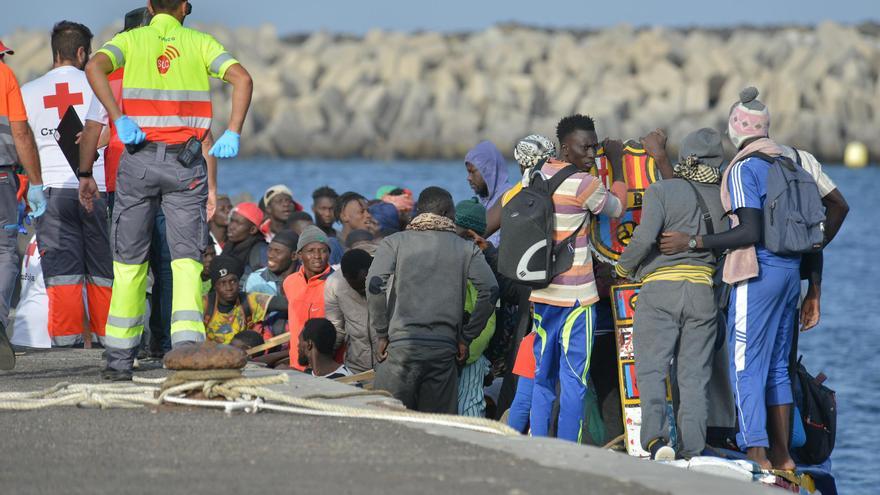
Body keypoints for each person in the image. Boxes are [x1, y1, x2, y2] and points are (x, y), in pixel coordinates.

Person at [84, 0, 253, 380]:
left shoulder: (131, 40)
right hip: (186, 164)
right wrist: (234, 131)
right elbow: (243, 78)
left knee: (129, 263)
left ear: (148, 5)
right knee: (186, 264)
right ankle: (186, 355)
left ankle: (118, 363)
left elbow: (94, 66)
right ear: (184, 7)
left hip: (138, 160)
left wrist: (118, 117)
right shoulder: (200, 42)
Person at [660, 88, 809, 471]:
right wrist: (815, 288)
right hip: (792, 272)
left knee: (745, 363)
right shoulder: (788, 161)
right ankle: (783, 456)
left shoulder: (744, 168)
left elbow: (749, 230)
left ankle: (755, 452)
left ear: (736, 129)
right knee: (777, 365)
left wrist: (694, 241)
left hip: (757, 272)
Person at [614, 128, 730, 460]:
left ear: (685, 157)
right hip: (703, 294)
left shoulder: (662, 190)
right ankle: (693, 450)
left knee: (651, 369)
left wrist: (622, 269)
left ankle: (656, 440)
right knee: (694, 377)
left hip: (661, 290)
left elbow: (643, 239)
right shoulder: (725, 197)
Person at [525, 114, 626, 442]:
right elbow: (617, 208)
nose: (592, 154)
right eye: (587, 147)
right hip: (577, 300)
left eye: (595, 147)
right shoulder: (585, 184)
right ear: (566, 149)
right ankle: (568, 448)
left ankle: (538, 442)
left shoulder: (535, 177)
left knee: (543, 376)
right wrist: (618, 163)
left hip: (541, 294)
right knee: (573, 380)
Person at [20, 21, 112, 348]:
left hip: (51, 192)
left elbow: (20, 142)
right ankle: (108, 342)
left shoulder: (27, 92)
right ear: (82, 52)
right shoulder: (100, 85)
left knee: (62, 275)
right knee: (103, 271)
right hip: (97, 189)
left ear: (55, 52)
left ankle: (67, 347)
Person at [368, 187, 498, 414]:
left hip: (400, 349)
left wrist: (381, 333)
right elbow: (490, 290)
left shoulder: (394, 242)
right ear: (448, 214)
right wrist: (466, 337)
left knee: (388, 424)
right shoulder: (467, 249)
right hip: (443, 352)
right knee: (436, 428)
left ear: (419, 211)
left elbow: (374, 285)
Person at [0, 41, 46, 369]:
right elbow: (20, 131)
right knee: (3, 251)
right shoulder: (5, 75)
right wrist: (35, 181)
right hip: (2, 176)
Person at [453, 198, 497, 417]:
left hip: (469, 352)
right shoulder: (457, 257)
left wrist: (468, 348)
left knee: (468, 407)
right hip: (454, 349)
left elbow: (488, 320)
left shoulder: (482, 264)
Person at [282, 225, 334, 370]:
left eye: (323, 251)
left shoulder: (335, 283)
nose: (317, 256)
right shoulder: (290, 282)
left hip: (324, 366)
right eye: (310, 251)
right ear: (299, 255)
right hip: (296, 362)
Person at [203, 255, 287, 345]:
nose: (229, 287)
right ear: (215, 286)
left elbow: (287, 304)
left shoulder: (249, 301)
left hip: (245, 354)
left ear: (238, 281)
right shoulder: (204, 304)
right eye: (222, 283)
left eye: (232, 281)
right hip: (210, 356)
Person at [325, 248, 375, 374]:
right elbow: (336, 327)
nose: (362, 291)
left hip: (391, 365)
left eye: (364, 285)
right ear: (345, 277)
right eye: (356, 288)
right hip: (356, 366)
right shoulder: (334, 284)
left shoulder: (393, 278)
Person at [464, 140, 509, 245]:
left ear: (488, 170)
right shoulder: (482, 201)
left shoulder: (508, 197)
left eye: (472, 172)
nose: (469, 178)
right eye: (468, 172)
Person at [245, 229, 297, 296]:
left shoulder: (307, 279)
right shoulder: (257, 279)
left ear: (294, 256)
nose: (270, 255)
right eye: (269, 249)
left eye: (277, 251)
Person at [224, 202, 268, 279]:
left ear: (253, 230)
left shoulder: (260, 251)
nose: (231, 227)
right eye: (231, 220)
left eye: (238, 223)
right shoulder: (230, 245)